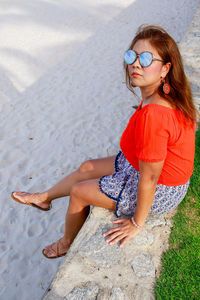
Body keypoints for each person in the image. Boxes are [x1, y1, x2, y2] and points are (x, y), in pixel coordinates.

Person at [11, 25, 198, 259]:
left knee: (79, 192)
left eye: (147, 58)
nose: (136, 64)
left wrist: (137, 223)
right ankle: (44, 198)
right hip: (143, 166)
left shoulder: (155, 114)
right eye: (132, 55)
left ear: (165, 69)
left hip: (162, 188)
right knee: (87, 167)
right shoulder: (159, 96)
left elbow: (150, 178)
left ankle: (68, 242)